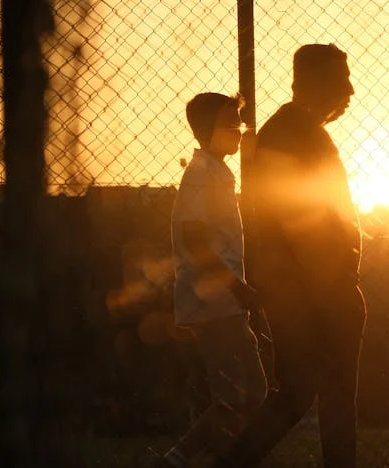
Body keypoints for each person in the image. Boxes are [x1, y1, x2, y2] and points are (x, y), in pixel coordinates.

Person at [213, 43, 365, 468]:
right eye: (342, 80)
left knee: (300, 393)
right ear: (315, 83)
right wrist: (332, 286)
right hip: (316, 290)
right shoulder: (293, 134)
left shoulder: (295, 131)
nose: (350, 90)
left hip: (304, 288)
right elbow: (299, 220)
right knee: (330, 396)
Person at [151, 92, 267, 468]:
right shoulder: (201, 175)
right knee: (237, 397)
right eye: (229, 124)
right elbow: (194, 240)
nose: (238, 131)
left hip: (222, 302)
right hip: (213, 303)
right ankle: (177, 459)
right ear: (205, 130)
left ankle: (211, 456)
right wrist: (236, 287)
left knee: (251, 393)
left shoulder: (215, 172)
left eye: (239, 123)